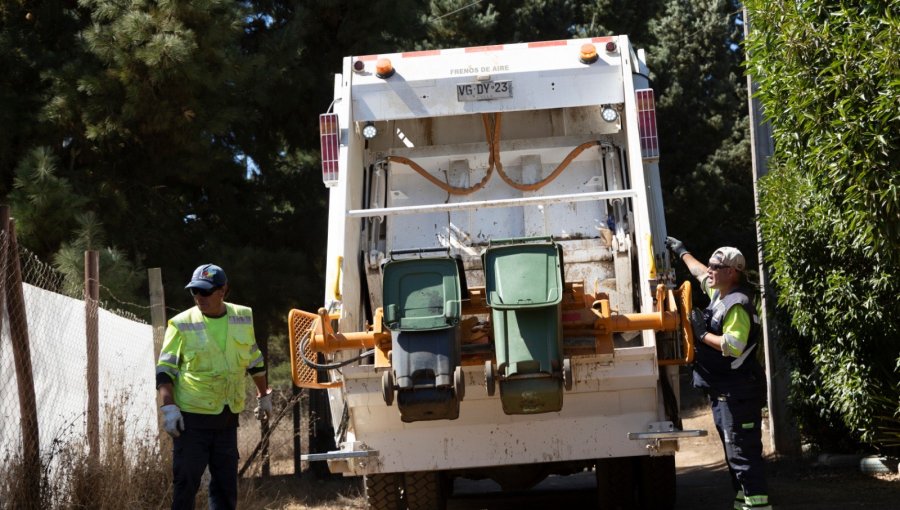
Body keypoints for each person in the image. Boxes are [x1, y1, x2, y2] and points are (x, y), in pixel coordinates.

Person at [665, 237, 772, 510]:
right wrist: (682, 252)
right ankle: (743, 504)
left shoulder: (737, 304)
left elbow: (733, 346)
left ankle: (758, 506)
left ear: (731, 272)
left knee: (744, 456)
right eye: (711, 265)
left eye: (716, 266)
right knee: (734, 455)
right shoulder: (719, 293)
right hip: (725, 392)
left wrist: (703, 334)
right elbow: (699, 272)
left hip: (738, 394)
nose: (710, 270)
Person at [156, 263, 273, 510]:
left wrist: (264, 395)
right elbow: (165, 369)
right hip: (191, 421)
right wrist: (169, 407)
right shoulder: (181, 323)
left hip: (227, 418)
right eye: (194, 292)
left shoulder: (242, 317)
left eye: (205, 291)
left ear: (223, 290)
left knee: (225, 488)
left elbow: (254, 361)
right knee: (186, 483)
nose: (199, 297)